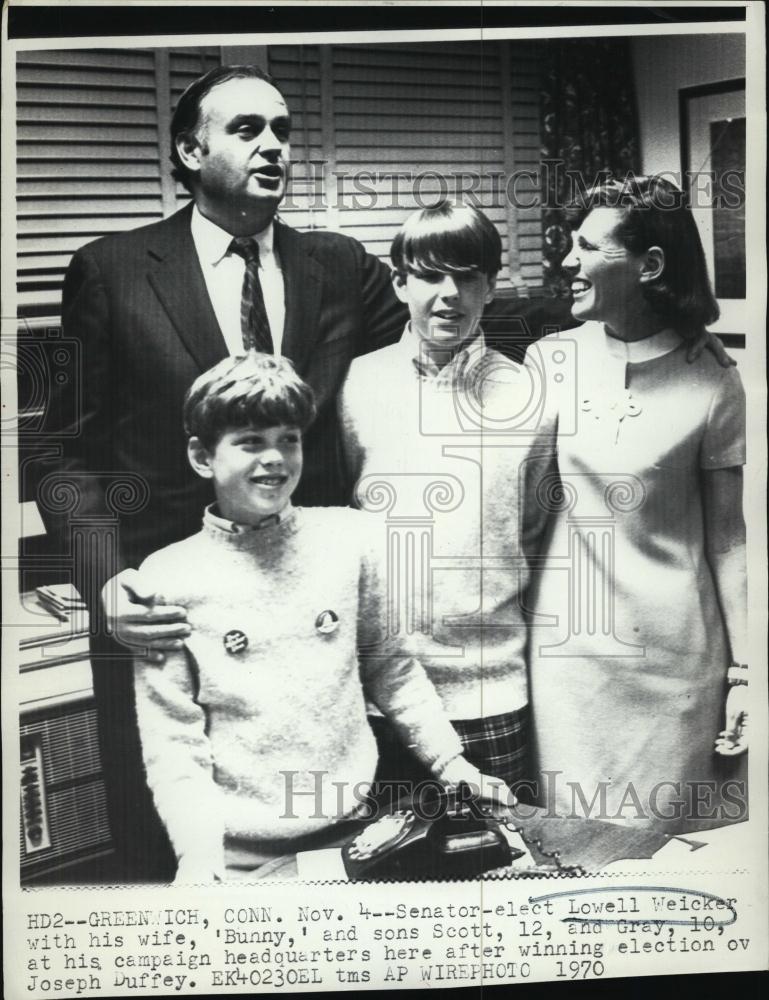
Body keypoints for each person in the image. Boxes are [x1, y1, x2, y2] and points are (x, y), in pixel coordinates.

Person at [42, 64, 406, 880]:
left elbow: (444, 327)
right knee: (174, 854)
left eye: (282, 129)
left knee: (319, 857)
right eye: (246, 129)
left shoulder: (340, 267)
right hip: (163, 618)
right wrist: (106, 585)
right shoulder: (109, 270)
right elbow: (59, 453)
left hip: (302, 625)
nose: (274, 145)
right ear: (188, 148)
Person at [133, 352, 505, 881]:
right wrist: (197, 853)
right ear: (201, 456)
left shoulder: (350, 540)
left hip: (359, 833)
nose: (275, 458)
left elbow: (391, 670)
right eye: (250, 441)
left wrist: (452, 763)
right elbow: (173, 738)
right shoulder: (167, 578)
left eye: (289, 438)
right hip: (236, 855)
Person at [526, 175, 748, 832]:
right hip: (567, 664)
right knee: (571, 847)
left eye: (588, 246)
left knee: (666, 861)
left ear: (649, 265)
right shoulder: (546, 362)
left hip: (674, 666)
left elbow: (730, 540)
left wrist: (744, 674)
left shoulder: (713, 379)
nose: (567, 259)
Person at [338, 202, 555, 792]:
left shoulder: (530, 398)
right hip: (380, 697)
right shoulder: (356, 384)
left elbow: (532, 533)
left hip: (490, 694)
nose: (449, 294)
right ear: (400, 281)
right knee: (380, 876)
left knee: (501, 870)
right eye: (431, 275)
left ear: (491, 283)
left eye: (468, 276)